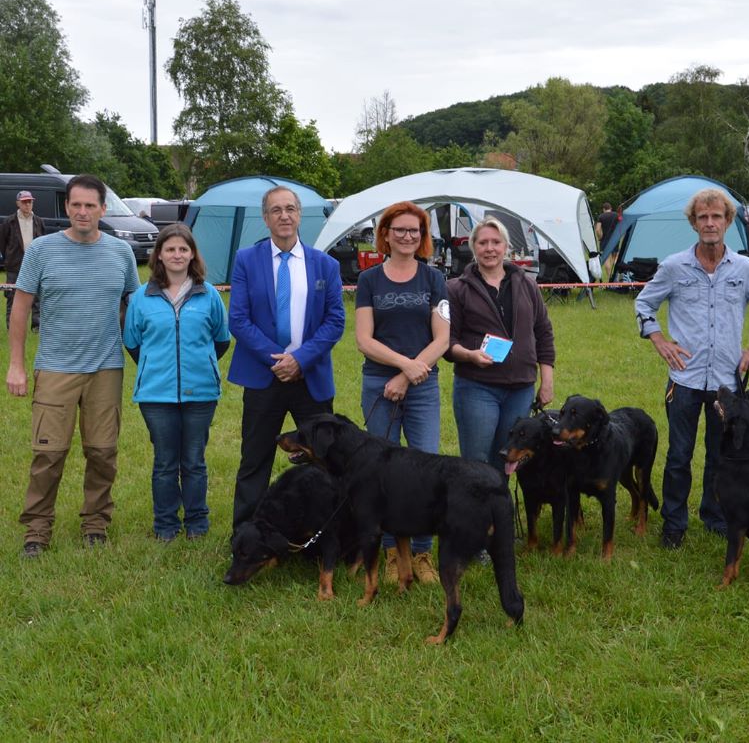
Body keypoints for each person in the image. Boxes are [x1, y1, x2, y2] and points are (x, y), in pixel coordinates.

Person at [634, 188, 749, 548]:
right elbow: (643, 304)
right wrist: (659, 340)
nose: (710, 223)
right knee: (679, 456)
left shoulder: (744, 268)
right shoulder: (673, 266)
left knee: (721, 455)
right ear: (693, 223)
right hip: (683, 380)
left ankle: (714, 515)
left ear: (728, 222)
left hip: (725, 384)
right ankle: (673, 523)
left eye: (717, 217)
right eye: (703, 217)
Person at [6, 174, 140, 557]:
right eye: (76, 205)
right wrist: (17, 365)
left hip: (106, 369)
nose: (83, 212)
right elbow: (21, 307)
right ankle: (36, 530)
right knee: (48, 454)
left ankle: (95, 524)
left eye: (90, 205)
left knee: (102, 452)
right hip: (56, 367)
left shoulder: (121, 253)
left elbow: (135, 307)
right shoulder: (42, 251)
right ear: (67, 208)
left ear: (103, 208)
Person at [228, 186, 345, 532]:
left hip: (310, 378)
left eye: (290, 209)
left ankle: (325, 534)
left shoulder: (326, 264)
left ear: (299, 215)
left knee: (324, 460)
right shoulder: (246, 260)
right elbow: (239, 318)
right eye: (276, 210)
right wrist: (276, 360)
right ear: (265, 218)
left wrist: (301, 359)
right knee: (255, 460)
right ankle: (246, 535)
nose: (284, 216)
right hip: (265, 377)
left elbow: (335, 320)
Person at [355, 201, 449, 584]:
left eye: (415, 231)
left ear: (422, 237)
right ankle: (394, 552)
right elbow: (363, 339)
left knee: (426, 467)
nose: (408, 236)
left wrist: (410, 374)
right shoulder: (369, 280)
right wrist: (401, 366)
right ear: (386, 235)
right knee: (382, 472)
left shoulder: (434, 279)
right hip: (379, 385)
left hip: (423, 386)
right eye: (400, 230)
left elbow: (443, 337)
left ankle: (423, 552)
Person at [123, 224, 231, 542]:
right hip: (157, 395)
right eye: (170, 249)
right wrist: (159, 368)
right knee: (165, 462)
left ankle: (197, 522)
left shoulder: (208, 294)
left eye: (183, 249)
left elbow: (220, 340)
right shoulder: (141, 298)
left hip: (201, 393)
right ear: (159, 254)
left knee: (194, 461)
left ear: (192, 254)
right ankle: (166, 524)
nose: (177, 254)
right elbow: (133, 343)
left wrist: (199, 365)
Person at [447, 216, 555, 478]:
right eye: (482, 242)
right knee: (477, 461)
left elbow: (543, 331)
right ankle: (474, 518)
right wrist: (469, 355)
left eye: (496, 242)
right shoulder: (456, 289)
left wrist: (546, 380)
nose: (489, 248)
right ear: (473, 247)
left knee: (507, 459)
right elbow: (447, 341)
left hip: (521, 388)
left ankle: (497, 517)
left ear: (506, 246)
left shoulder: (527, 283)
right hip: (477, 387)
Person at [1, 190, 45, 330]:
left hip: (34, 264)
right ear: (18, 203)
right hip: (14, 265)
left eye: (30, 201)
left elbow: (43, 242)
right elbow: (2, 243)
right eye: (25, 202)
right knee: (12, 296)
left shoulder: (38, 221)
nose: (27, 204)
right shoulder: (9, 222)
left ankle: (36, 326)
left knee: (36, 297)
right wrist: (9, 258)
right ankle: (11, 326)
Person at [595, 202, 619, 280]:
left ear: (603, 209)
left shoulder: (601, 216)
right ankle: (616, 276)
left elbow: (598, 229)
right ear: (611, 208)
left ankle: (609, 278)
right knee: (615, 258)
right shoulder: (616, 215)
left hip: (605, 241)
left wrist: (600, 237)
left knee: (606, 259)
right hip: (615, 240)